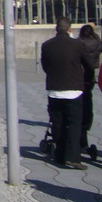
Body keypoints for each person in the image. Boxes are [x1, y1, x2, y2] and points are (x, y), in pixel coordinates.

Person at [41, 17, 94, 169]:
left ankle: (59, 155)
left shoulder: (47, 45)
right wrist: (87, 79)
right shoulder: (77, 44)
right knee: (74, 124)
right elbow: (89, 64)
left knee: (57, 123)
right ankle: (73, 157)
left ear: (56, 29)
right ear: (70, 29)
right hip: (74, 90)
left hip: (54, 90)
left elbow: (45, 65)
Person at [79, 24, 101, 153]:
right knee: (88, 105)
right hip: (90, 75)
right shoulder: (97, 42)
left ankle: (80, 139)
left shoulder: (79, 43)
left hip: (79, 77)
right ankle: (86, 128)